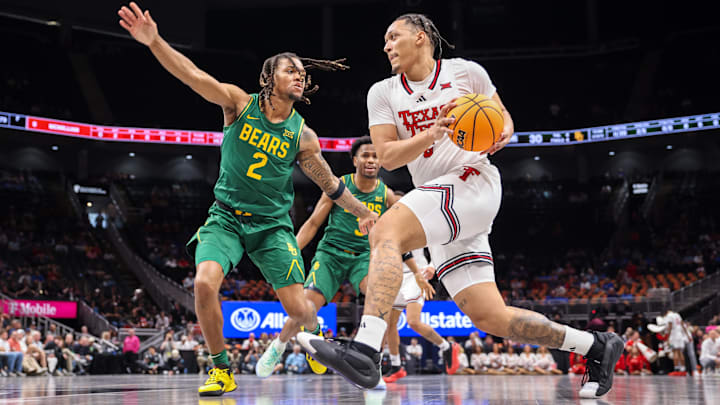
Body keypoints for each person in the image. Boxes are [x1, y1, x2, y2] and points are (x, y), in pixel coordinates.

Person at [298, 12, 623, 398]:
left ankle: (367, 350)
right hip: (439, 199)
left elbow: (503, 119)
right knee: (490, 316)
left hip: (472, 181)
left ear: (420, 37)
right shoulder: (382, 92)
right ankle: (595, 346)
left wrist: (500, 133)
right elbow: (387, 157)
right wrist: (431, 132)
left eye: (393, 36)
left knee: (386, 230)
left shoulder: (466, 73)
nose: (385, 46)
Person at [117, 1, 377, 396]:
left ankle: (314, 329)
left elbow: (330, 185)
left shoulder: (303, 135)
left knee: (300, 309)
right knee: (204, 283)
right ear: (268, 77)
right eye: (291, 69)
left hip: (272, 227)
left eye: (303, 74)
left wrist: (362, 212)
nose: (299, 77)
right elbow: (192, 75)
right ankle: (221, 369)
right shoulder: (238, 104)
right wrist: (155, 42)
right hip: (226, 218)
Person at [256, 137, 400, 377]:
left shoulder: (387, 195)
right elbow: (312, 224)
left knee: (381, 296)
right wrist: (291, 253)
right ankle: (277, 347)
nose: (371, 160)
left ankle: (374, 360)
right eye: (366, 155)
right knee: (305, 306)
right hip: (331, 253)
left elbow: (402, 231)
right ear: (355, 160)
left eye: (375, 156)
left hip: (363, 257)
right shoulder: (339, 187)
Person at [383, 248, 460, 383]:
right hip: (396, 276)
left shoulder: (421, 227)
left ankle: (446, 346)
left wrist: (432, 266)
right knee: (390, 324)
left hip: (417, 275)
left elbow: (439, 246)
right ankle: (396, 366)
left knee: (413, 321)